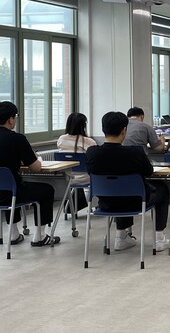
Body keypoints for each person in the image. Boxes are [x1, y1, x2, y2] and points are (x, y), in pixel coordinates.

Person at [86, 111, 170, 252]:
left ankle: (121, 237)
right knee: (162, 189)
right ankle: (159, 238)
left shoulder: (91, 152)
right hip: (135, 202)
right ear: (124, 130)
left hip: (105, 202)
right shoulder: (135, 152)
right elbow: (149, 172)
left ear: (103, 129)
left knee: (118, 191)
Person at [0, 101, 59, 247]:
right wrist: (36, 158)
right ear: (10, 119)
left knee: (11, 186)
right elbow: (36, 168)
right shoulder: (17, 139)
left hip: (3, 192)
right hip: (12, 193)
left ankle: (13, 235)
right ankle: (40, 236)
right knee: (46, 190)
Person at [57, 112, 98, 209]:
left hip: (67, 178)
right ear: (83, 125)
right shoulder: (88, 141)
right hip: (85, 178)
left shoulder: (61, 139)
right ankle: (98, 204)